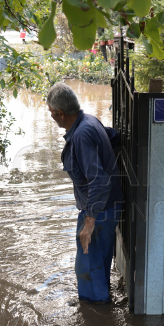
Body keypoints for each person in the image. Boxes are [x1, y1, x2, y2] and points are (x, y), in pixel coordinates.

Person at [46, 82, 122, 304]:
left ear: (60, 113)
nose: (51, 116)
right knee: (97, 268)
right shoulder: (89, 120)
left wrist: (89, 224)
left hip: (98, 212)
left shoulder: (81, 135)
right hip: (105, 208)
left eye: (51, 113)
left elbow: (98, 180)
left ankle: (95, 320)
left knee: (88, 271)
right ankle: (102, 311)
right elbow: (113, 137)